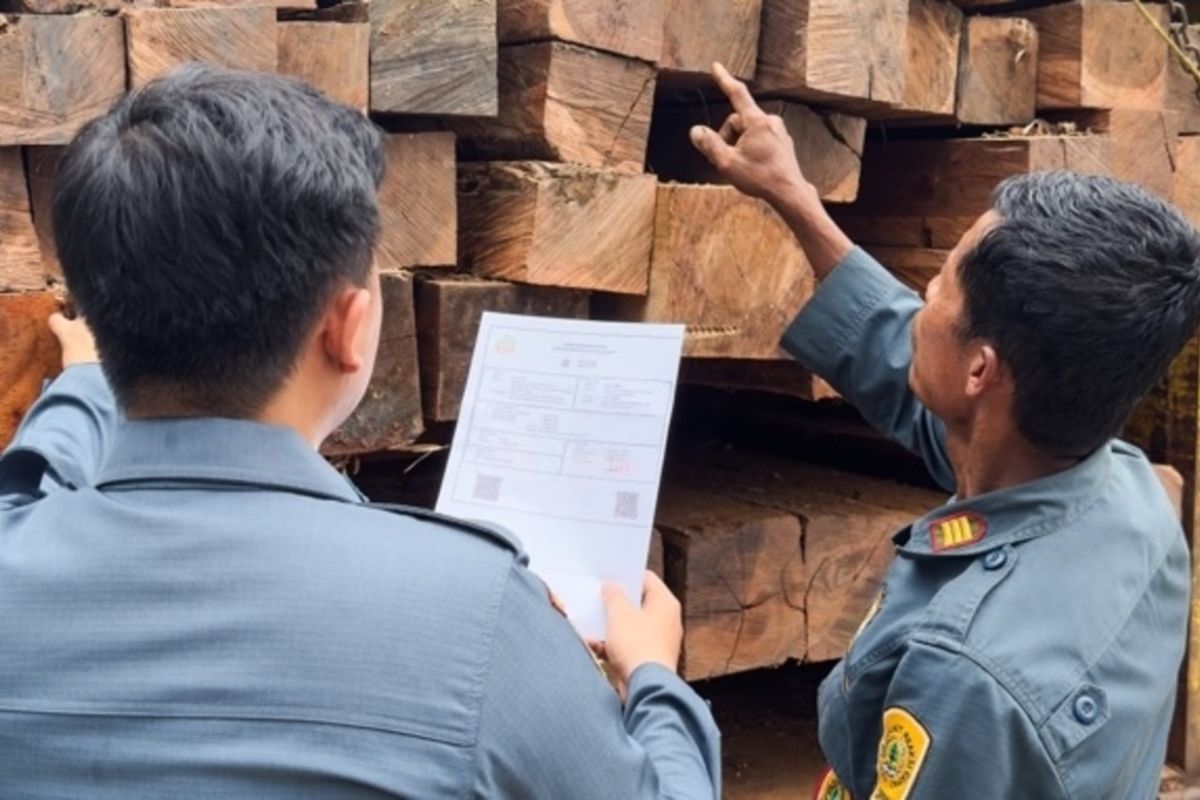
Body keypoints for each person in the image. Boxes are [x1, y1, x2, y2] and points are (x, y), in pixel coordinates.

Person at [0, 64, 720, 799]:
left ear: (98, 311)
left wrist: (89, 382)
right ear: (347, 328)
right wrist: (654, 679)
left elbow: (27, 492)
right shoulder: (481, 619)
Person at [689, 63, 1200, 800]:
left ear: (979, 372)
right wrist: (794, 197)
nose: (919, 299)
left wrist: (655, 700)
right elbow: (907, 363)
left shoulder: (963, 677)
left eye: (936, 288)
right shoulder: (1125, 490)